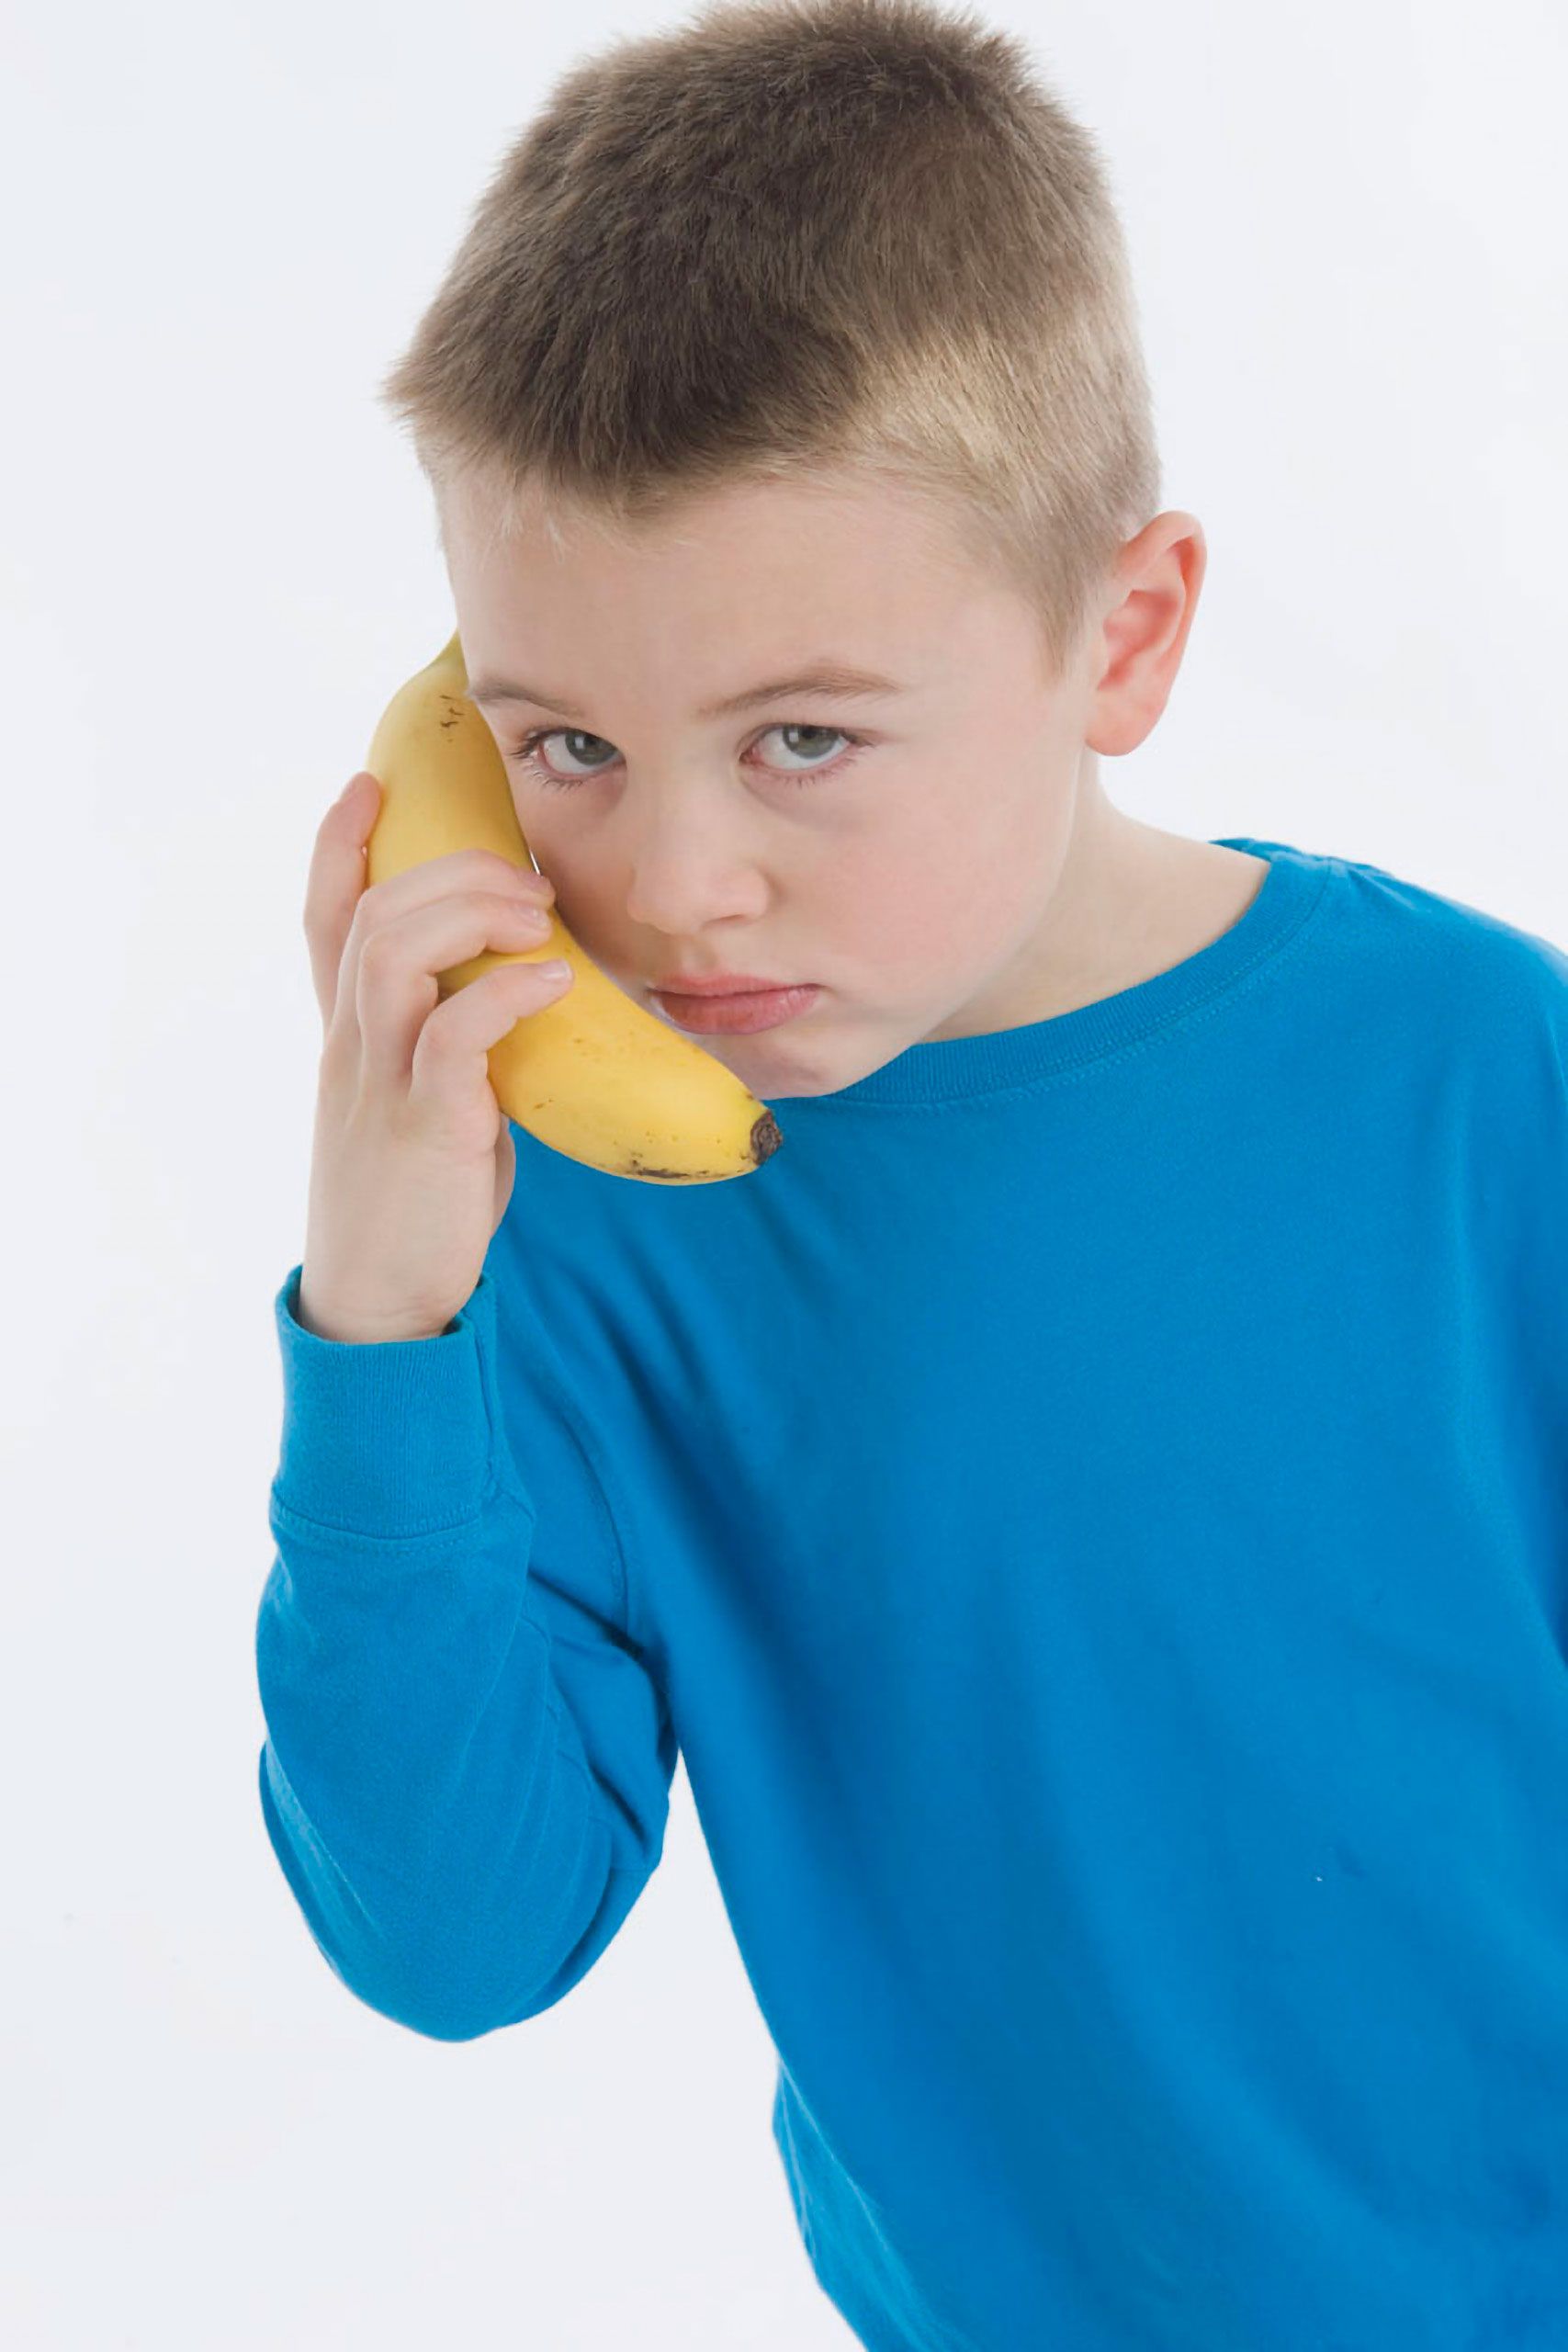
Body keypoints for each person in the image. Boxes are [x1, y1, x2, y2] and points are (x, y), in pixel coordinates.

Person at [254, 3, 1568, 2345]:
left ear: (1119, 635)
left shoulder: (1480, 1080)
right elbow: (456, 1937)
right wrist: (383, 1320)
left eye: (798, 737)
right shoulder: (563, 1210)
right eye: (565, 743)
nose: (674, 886)